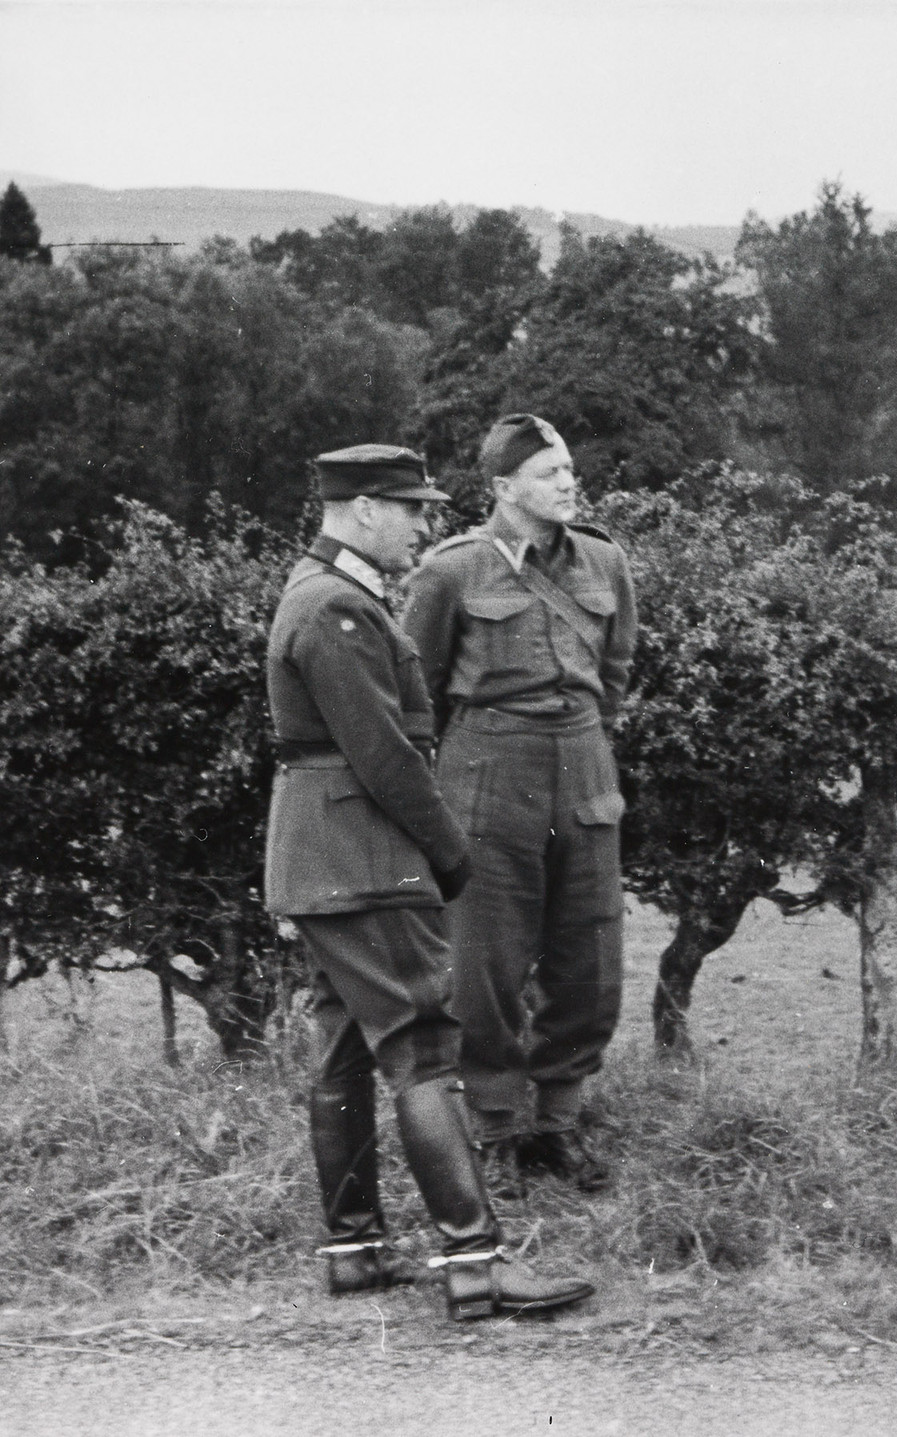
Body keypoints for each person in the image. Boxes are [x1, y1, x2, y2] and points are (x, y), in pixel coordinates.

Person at [265, 443, 593, 1320]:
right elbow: (383, 753)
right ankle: (475, 1261)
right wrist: (452, 852)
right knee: (422, 1047)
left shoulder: (327, 594)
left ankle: (356, 1250)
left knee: (343, 1045)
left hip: (327, 858)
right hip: (362, 859)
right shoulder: (335, 607)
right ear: (364, 509)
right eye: (409, 508)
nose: (423, 523)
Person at [402, 415, 636, 1195]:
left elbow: (617, 672)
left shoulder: (604, 559)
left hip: (582, 764)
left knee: (590, 956)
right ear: (503, 489)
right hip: (487, 769)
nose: (568, 482)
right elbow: (417, 692)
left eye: (570, 468)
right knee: (485, 962)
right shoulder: (451, 572)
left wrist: (580, 748)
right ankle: (496, 1127)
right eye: (548, 473)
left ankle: (560, 1122)